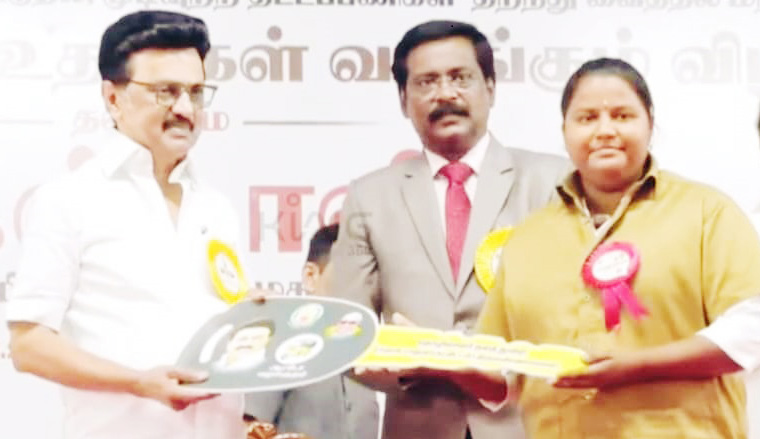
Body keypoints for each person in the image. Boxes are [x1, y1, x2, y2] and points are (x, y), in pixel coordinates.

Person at [445, 57, 760, 438]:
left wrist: (636, 366)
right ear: (564, 131)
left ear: (650, 125)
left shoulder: (708, 213)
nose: (605, 130)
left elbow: (748, 331)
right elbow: (504, 376)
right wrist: (435, 359)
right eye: (587, 118)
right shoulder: (527, 238)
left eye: (623, 116)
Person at [6, 10, 247, 439]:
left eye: (196, 92)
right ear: (113, 97)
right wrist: (137, 383)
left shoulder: (217, 207)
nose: (185, 109)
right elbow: (28, 346)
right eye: (165, 92)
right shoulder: (69, 200)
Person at [330, 20, 568, 439]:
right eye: (427, 82)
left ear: (490, 88)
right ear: (403, 100)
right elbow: (347, 330)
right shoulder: (369, 197)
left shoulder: (552, 181)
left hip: (527, 424)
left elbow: (574, 319)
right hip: (419, 424)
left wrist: (490, 375)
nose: (445, 94)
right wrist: (406, 366)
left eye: (460, 78)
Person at [245, 224, 379, 439]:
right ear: (310, 276)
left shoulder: (369, 359)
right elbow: (250, 428)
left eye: (366, 279)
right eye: (347, 276)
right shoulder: (280, 344)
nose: (358, 288)